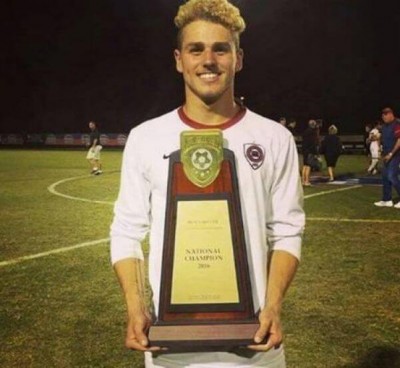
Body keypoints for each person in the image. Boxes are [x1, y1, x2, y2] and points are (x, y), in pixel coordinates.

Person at [110, 1, 305, 367]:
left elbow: (287, 230)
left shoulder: (274, 138)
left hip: (255, 347)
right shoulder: (146, 137)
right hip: (171, 349)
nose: (208, 60)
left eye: (221, 48)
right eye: (195, 49)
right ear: (178, 59)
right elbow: (127, 230)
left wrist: (274, 306)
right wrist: (136, 308)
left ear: (239, 58)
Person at [374, 107, 400, 208]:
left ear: (390, 114)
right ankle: (387, 200)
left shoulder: (397, 124)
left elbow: (399, 140)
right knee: (385, 178)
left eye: (385, 116)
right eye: (382, 116)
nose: (383, 118)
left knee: (392, 177)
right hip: (386, 154)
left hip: (395, 155)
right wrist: (380, 149)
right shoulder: (384, 126)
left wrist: (391, 154)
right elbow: (381, 137)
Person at [301, 119, 319, 186]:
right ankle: (307, 181)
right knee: (308, 166)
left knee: (305, 165)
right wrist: (316, 153)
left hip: (304, 150)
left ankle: (303, 181)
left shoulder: (305, 131)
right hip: (310, 151)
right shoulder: (313, 132)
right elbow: (313, 143)